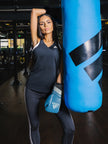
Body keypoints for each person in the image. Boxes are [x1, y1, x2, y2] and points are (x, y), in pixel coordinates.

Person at [25, 8, 75, 144]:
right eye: (42, 23)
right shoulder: (36, 42)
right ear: (39, 27)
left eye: (48, 22)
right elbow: (35, 11)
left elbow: (62, 67)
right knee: (34, 126)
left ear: (53, 25)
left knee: (70, 128)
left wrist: (58, 86)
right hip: (33, 90)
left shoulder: (60, 45)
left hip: (53, 91)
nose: (45, 25)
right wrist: (47, 12)